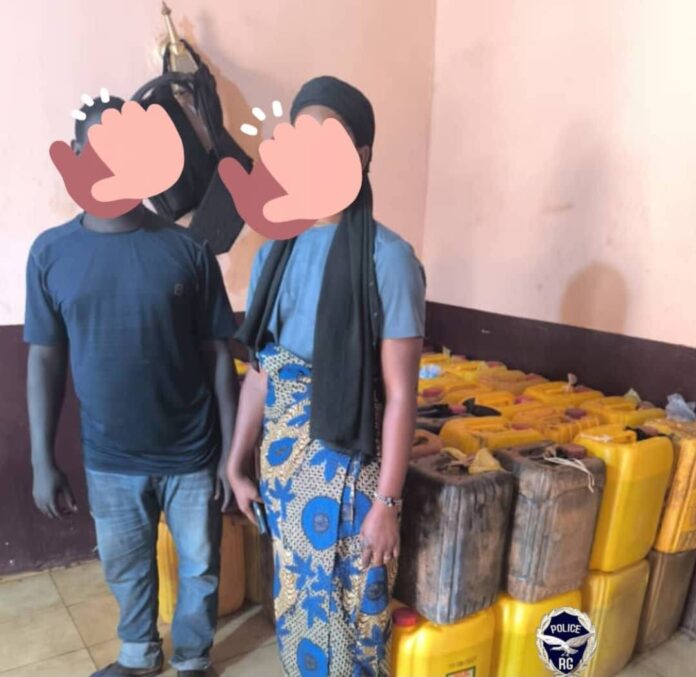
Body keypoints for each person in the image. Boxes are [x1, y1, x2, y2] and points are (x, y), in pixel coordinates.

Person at [25, 94, 238, 677]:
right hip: (110, 457)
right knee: (126, 566)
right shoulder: (51, 254)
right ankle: (139, 656)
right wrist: (42, 460)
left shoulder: (188, 249)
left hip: (192, 453)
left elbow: (218, 355)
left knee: (200, 567)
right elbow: (44, 360)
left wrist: (229, 453)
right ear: (75, 157)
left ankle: (193, 659)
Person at [227, 76, 426, 677]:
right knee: (295, 604)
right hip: (285, 478)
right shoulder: (274, 253)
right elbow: (261, 375)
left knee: (356, 615)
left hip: (351, 480)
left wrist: (386, 503)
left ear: (361, 155)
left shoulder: (388, 259)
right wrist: (236, 463)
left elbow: (400, 396)